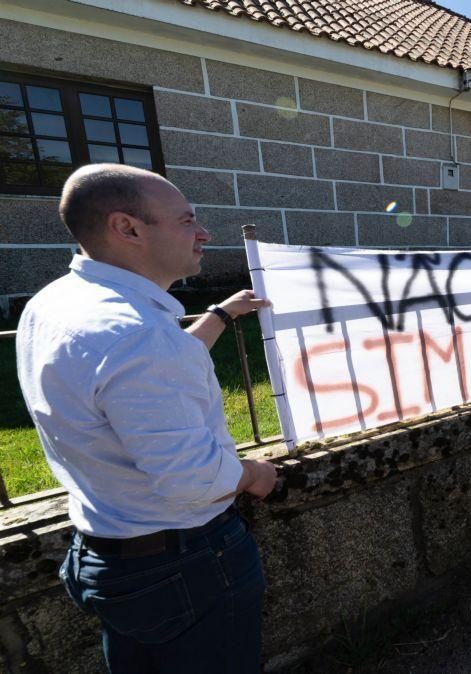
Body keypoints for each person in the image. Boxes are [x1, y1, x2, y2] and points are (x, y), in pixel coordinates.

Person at [16, 164, 277, 672]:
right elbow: (192, 479)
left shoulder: (55, 303)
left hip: (108, 553)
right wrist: (252, 473)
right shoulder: (135, 333)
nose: (203, 233)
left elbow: (151, 372)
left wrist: (219, 315)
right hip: (182, 565)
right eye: (186, 220)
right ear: (127, 228)